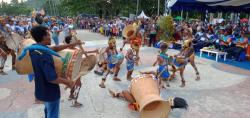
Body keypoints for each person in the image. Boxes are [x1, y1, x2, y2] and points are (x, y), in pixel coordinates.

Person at [28, 26, 76, 118]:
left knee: (48, 110)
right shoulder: (44, 55)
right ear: (43, 37)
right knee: (53, 114)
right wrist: (68, 82)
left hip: (41, 89)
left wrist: (69, 45)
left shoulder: (34, 49)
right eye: (48, 35)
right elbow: (52, 78)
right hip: (50, 92)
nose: (50, 36)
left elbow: (55, 48)